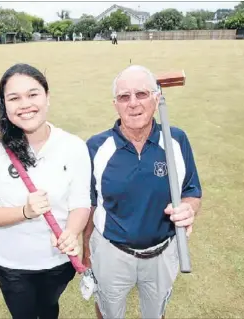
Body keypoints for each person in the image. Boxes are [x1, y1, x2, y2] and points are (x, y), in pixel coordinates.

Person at [0, 63, 91, 319]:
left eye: (33, 94)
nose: (25, 104)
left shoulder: (73, 146)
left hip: (58, 263)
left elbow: (81, 202)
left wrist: (71, 232)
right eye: (14, 98)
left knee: (49, 310)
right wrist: (24, 211)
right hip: (13, 266)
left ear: (47, 97)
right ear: (4, 105)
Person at [82, 65, 202, 319]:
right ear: (115, 104)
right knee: (108, 310)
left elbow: (191, 191)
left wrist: (188, 209)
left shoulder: (176, 140)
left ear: (157, 99)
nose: (133, 104)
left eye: (142, 94)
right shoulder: (96, 146)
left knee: (155, 313)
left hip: (162, 252)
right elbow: (89, 206)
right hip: (111, 252)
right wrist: (86, 252)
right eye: (124, 97)